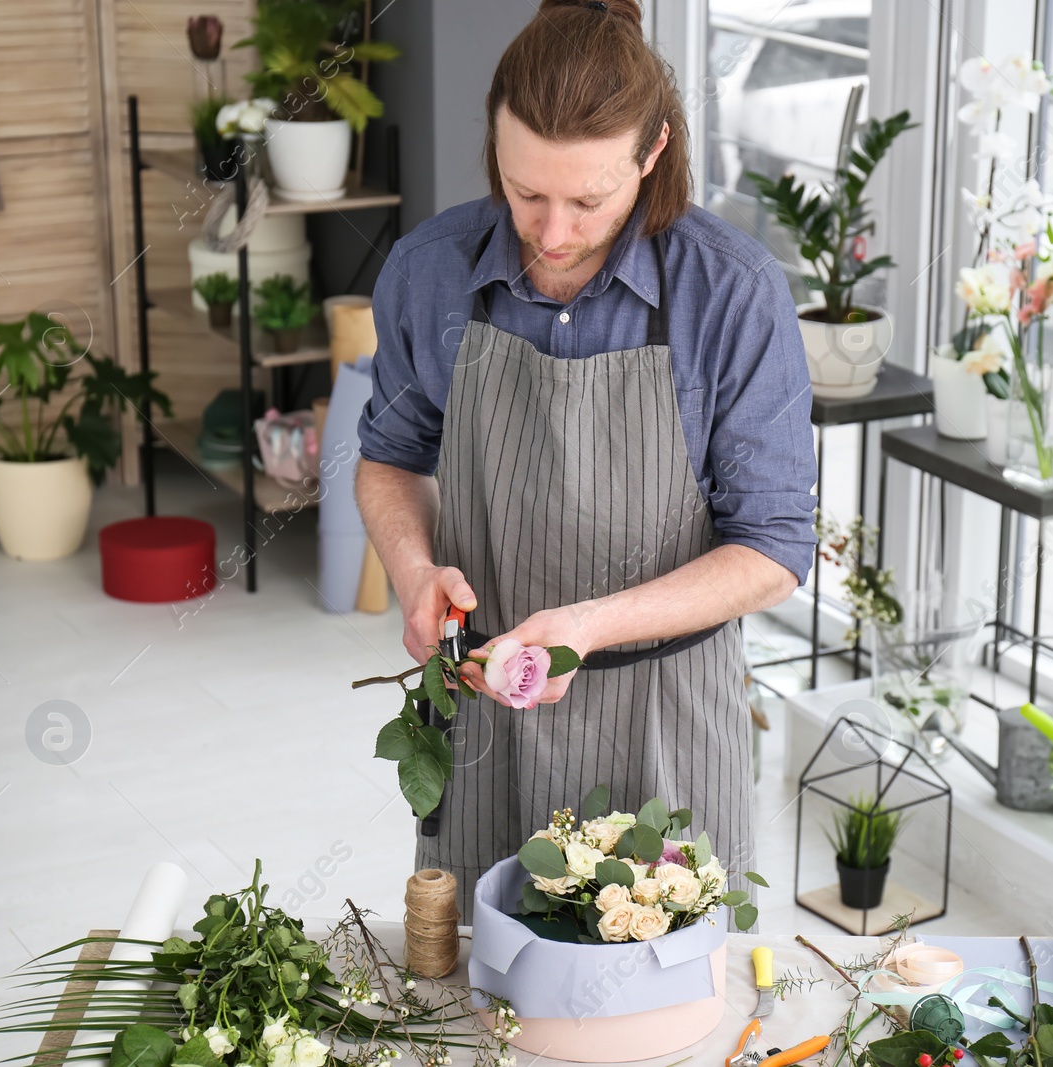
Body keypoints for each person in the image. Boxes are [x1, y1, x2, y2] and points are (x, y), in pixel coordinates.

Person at [356, 0, 817, 920]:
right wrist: (413, 572)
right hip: (486, 713)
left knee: (666, 1009)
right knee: (486, 997)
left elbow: (772, 550)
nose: (553, 232)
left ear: (652, 155)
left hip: (667, 719)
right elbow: (389, 459)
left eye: (589, 200)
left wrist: (589, 626)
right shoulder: (429, 270)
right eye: (526, 192)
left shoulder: (731, 293)